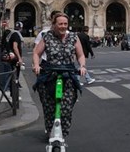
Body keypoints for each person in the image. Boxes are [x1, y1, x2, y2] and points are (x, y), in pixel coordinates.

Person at [32, 12, 88, 141]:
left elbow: (80, 55)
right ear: (54, 25)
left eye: (65, 24)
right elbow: (36, 53)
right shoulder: (47, 37)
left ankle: (62, 133)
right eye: (60, 24)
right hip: (49, 75)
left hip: (68, 76)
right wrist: (36, 65)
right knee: (49, 108)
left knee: (66, 109)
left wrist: (82, 66)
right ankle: (51, 131)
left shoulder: (74, 37)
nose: (63, 26)